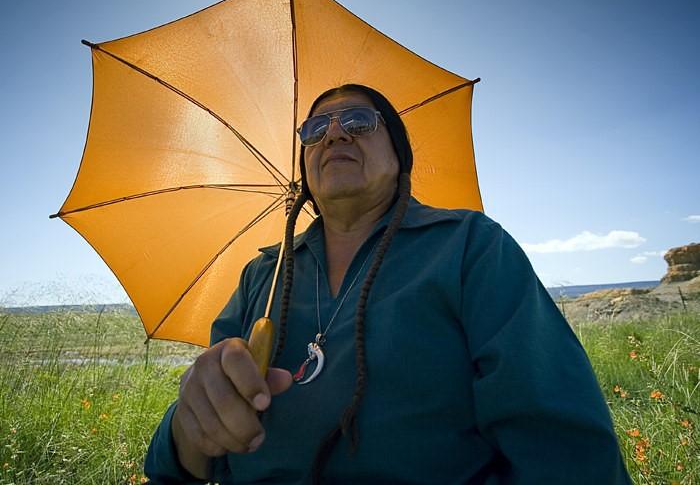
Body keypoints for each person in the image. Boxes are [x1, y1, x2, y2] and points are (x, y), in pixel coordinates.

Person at [145, 84, 632, 484]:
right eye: (315, 129)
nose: (334, 134)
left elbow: (566, 452)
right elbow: (188, 456)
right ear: (306, 168)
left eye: (358, 121)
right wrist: (191, 426)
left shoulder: (470, 247)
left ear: (398, 157)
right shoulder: (263, 276)